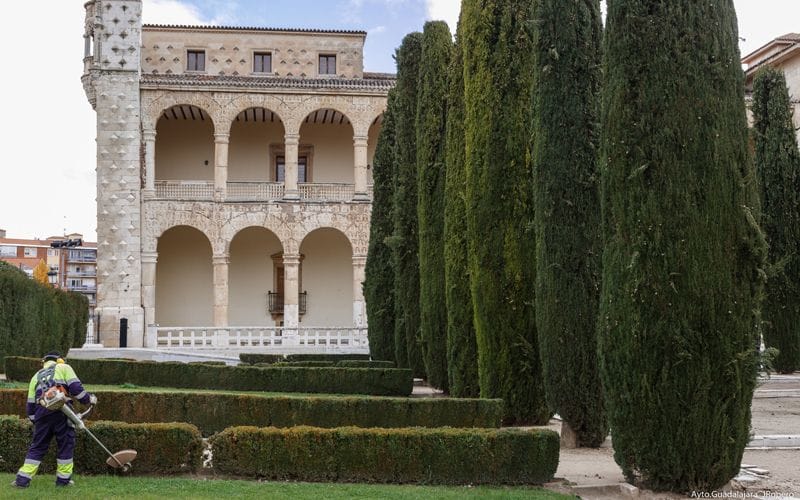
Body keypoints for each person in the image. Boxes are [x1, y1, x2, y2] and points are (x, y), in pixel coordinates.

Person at [12, 351, 96, 488]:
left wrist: (37, 421)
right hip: (63, 414)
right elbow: (76, 389)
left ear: (44, 362)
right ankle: (63, 481)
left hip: (42, 414)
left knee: (37, 447)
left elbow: (30, 406)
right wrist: (89, 400)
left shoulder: (36, 376)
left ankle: (22, 480)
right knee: (65, 446)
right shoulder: (64, 368)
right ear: (60, 360)